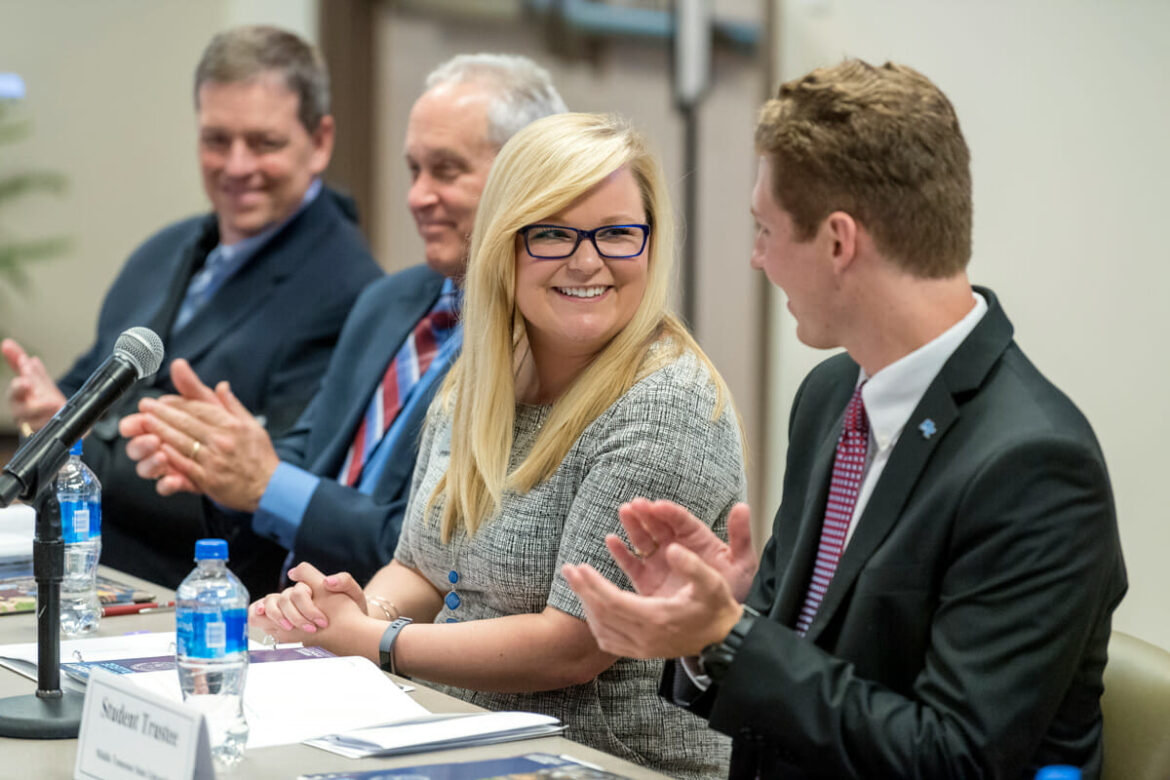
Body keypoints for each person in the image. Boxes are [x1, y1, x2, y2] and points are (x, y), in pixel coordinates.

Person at [563, 59, 1127, 779]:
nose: (757, 258)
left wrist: (734, 639)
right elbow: (804, 669)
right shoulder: (833, 397)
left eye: (766, 228)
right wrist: (715, 624)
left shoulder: (1037, 466)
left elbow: (953, 760)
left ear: (838, 242)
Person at [251, 113, 746, 779]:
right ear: (503, 246)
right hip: (449, 737)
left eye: (618, 234)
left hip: (604, 761)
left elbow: (574, 643)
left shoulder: (666, 403)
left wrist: (378, 640)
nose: (587, 260)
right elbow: (422, 567)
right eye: (551, 234)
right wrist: (356, 608)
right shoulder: (480, 377)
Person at [118, 55, 567, 591]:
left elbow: (432, 553)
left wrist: (265, 484)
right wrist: (219, 461)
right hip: (279, 617)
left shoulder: (544, 344)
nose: (417, 197)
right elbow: (301, 461)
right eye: (414, 170)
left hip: (396, 643)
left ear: (531, 178)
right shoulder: (388, 302)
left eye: (445, 171)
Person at [1, 26, 381, 593]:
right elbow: (82, 384)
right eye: (217, 139)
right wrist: (43, 402)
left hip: (194, 594)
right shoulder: (165, 250)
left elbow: (248, 489)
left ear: (320, 141)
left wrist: (71, 437)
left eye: (264, 143)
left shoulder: (348, 290)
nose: (236, 164)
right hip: (78, 564)